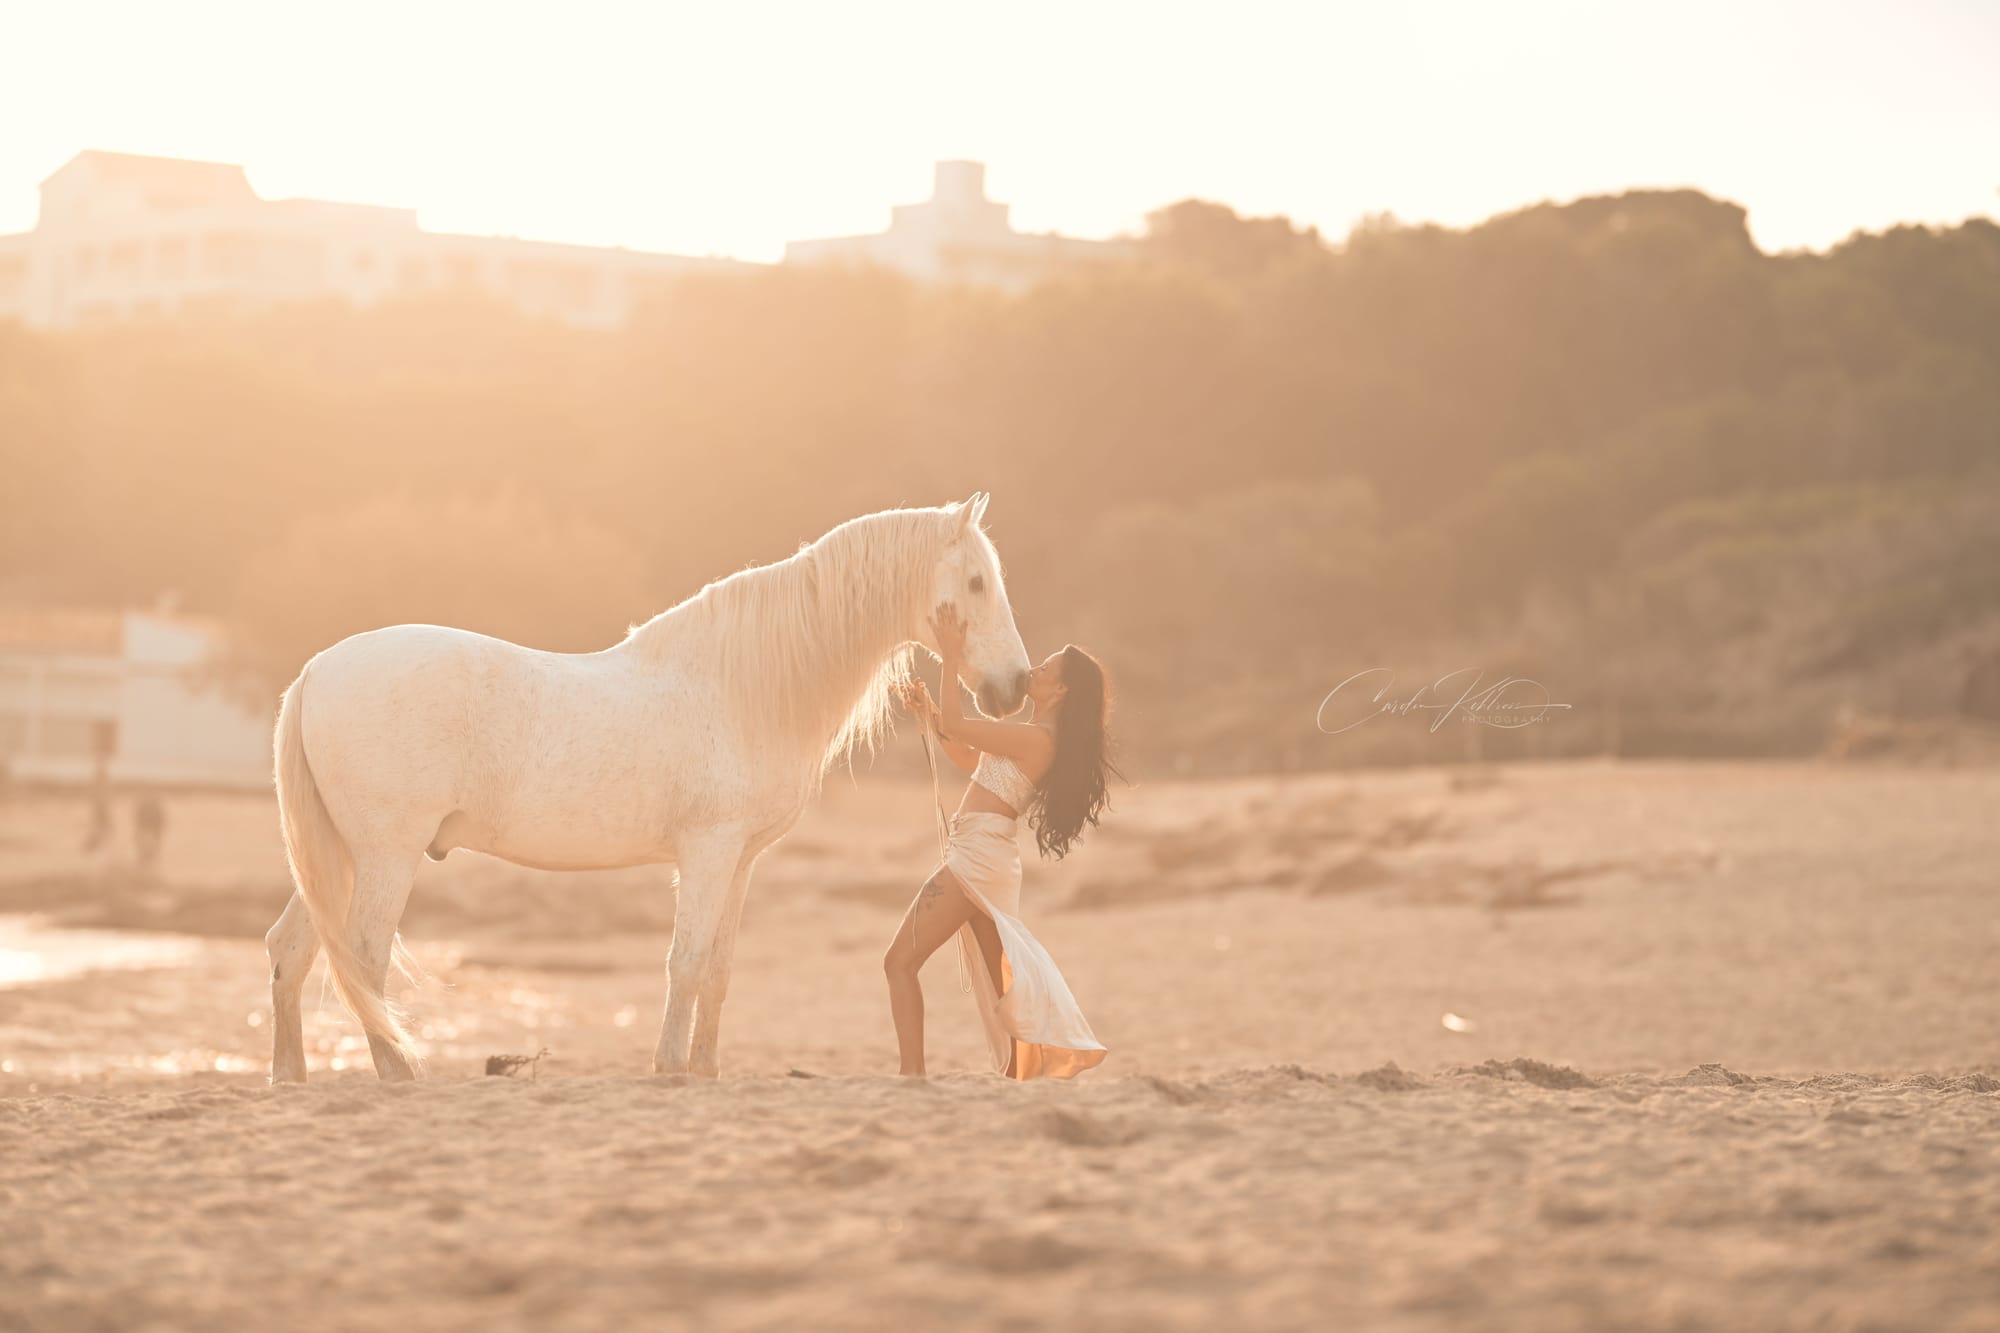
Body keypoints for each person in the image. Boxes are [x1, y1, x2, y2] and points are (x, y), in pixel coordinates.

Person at [883, 602, 1119, 1079]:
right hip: (986, 854)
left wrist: (949, 657)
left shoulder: (1038, 739)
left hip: (979, 856)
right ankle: (1017, 1077)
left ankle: (911, 1077)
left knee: (899, 962)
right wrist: (929, 712)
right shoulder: (1032, 735)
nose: (1034, 668)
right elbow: (969, 757)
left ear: (1061, 689)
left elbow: (961, 726)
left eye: (1046, 668)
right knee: (1000, 983)